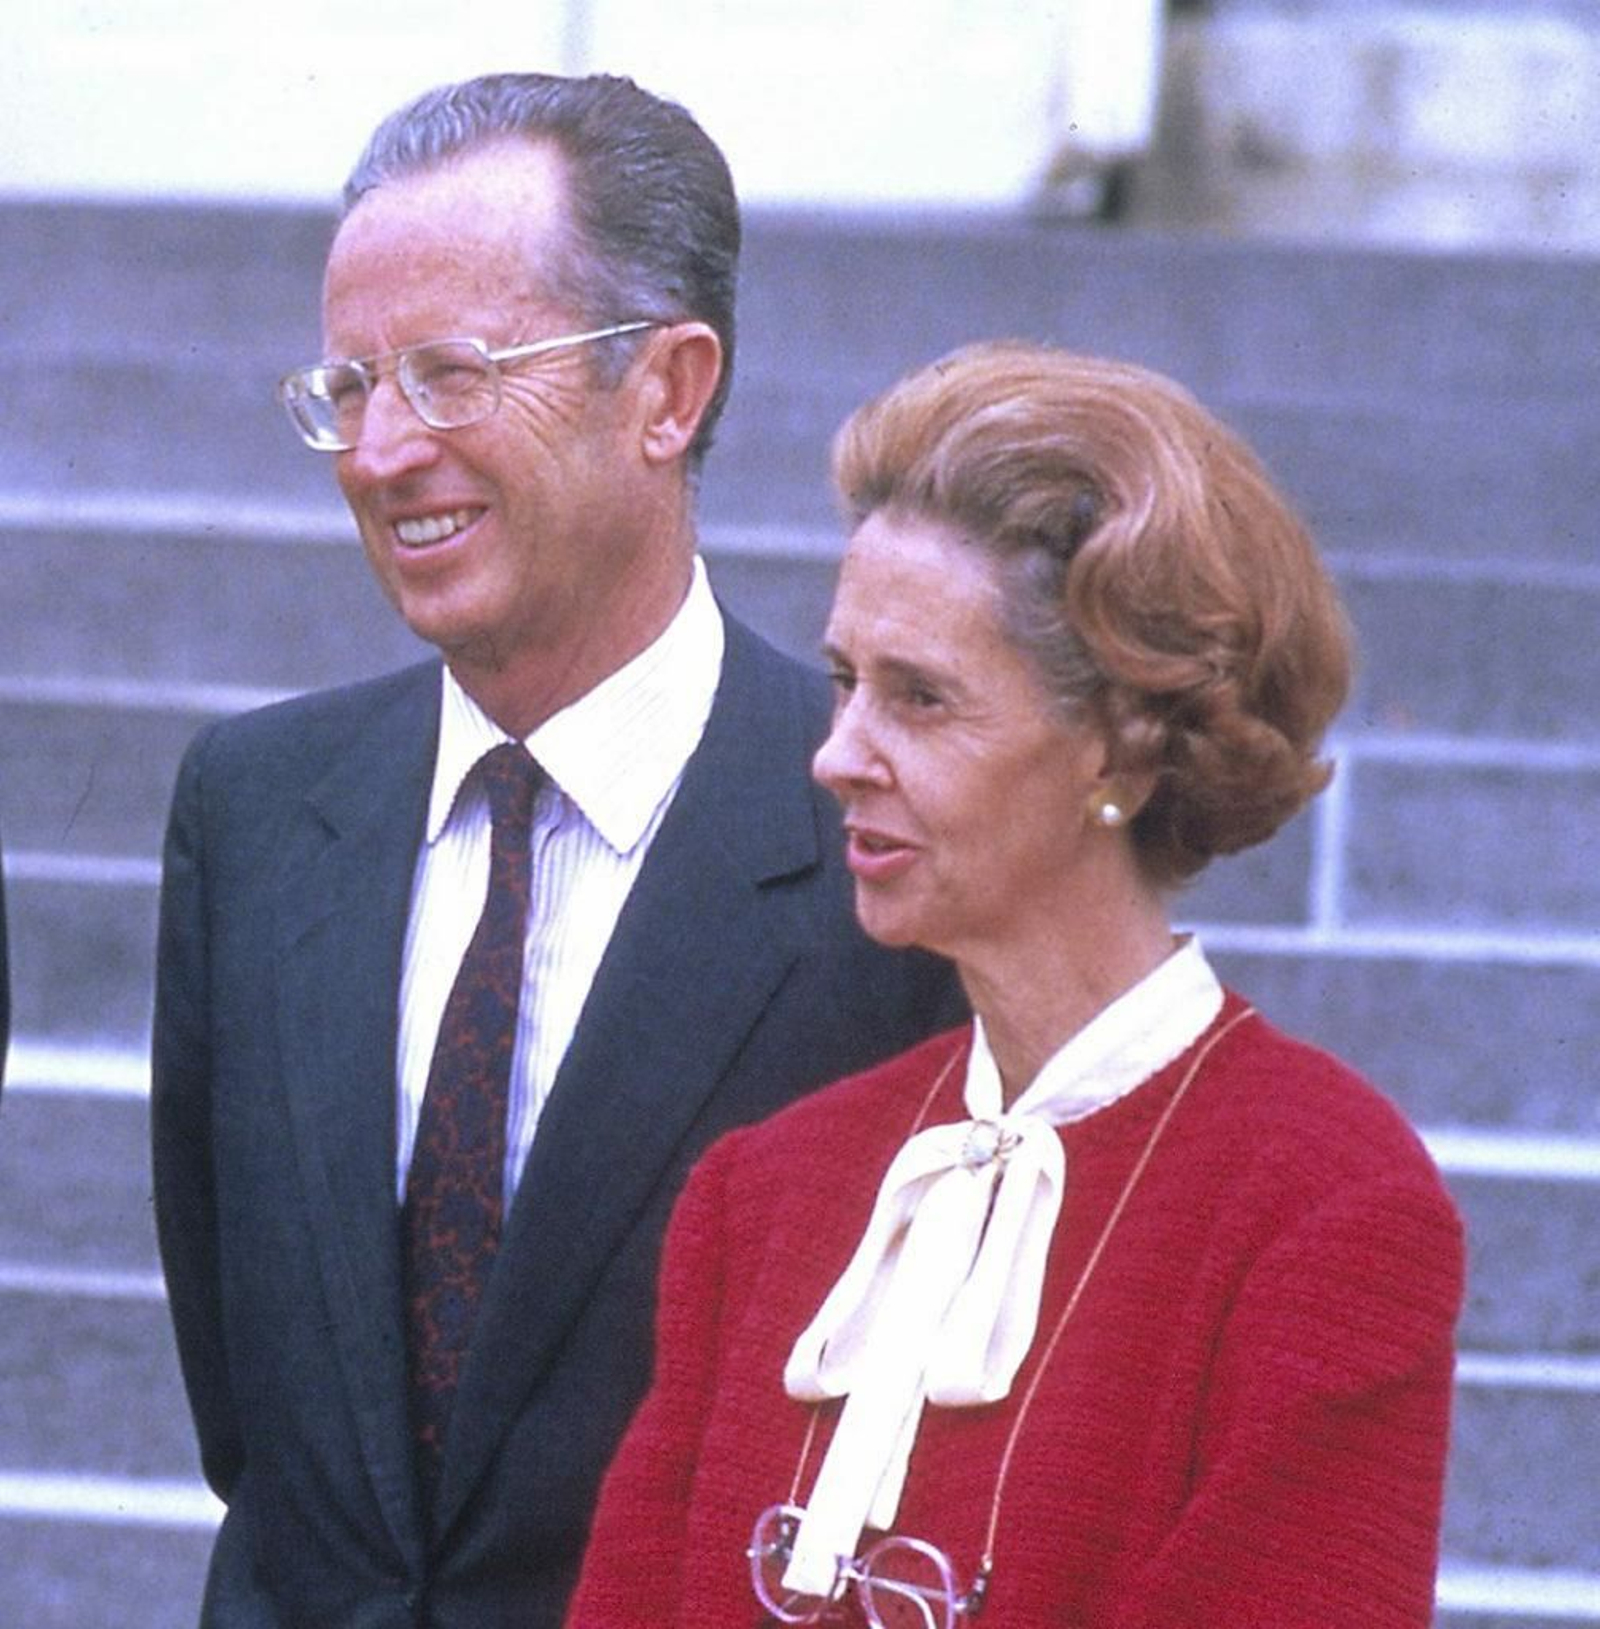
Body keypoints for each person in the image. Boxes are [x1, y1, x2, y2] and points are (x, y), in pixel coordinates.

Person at [150, 72, 960, 1629]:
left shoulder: (885, 844)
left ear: (667, 391)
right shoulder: (256, 810)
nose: (381, 452)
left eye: (452, 375)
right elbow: (255, 1423)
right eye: (348, 385)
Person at [567, 342, 1466, 1629]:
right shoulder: (762, 1194)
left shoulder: (1323, 1209)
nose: (836, 755)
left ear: (1123, 742)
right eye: (844, 682)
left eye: (920, 700)